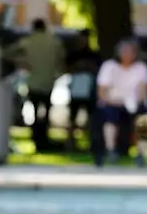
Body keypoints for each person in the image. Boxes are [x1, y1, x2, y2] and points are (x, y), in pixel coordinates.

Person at [7, 19, 64, 152]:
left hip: (33, 82)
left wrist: (21, 62)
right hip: (48, 82)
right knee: (46, 112)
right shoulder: (54, 42)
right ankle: (43, 139)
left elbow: (8, 52)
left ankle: (36, 139)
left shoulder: (27, 42)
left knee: (34, 111)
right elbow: (61, 61)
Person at [93, 39, 147, 165]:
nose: (127, 54)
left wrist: (133, 102)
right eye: (124, 51)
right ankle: (110, 150)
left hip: (133, 103)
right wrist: (116, 102)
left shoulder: (141, 68)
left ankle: (140, 154)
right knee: (110, 117)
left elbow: (142, 92)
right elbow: (102, 92)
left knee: (141, 119)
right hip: (111, 103)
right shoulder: (109, 66)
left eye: (130, 52)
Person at [64, 30, 99, 150]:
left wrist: (87, 67)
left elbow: (96, 69)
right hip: (75, 89)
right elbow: (66, 68)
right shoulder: (73, 55)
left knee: (91, 118)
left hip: (89, 89)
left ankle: (92, 142)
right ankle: (70, 142)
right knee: (72, 118)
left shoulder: (93, 55)